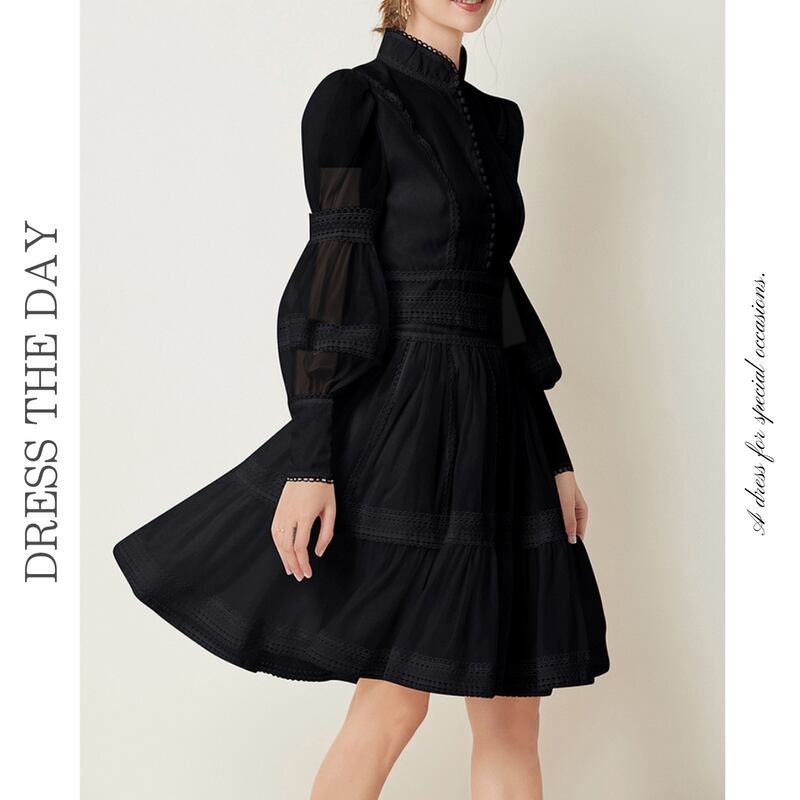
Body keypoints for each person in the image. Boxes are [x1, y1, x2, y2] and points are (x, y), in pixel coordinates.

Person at [113, 1, 610, 797]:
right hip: (408, 424)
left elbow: (496, 295)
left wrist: (553, 457)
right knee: (394, 703)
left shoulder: (501, 121)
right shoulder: (351, 102)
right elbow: (334, 272)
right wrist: (312, 459)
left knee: (513, 719)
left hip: (501, 431)